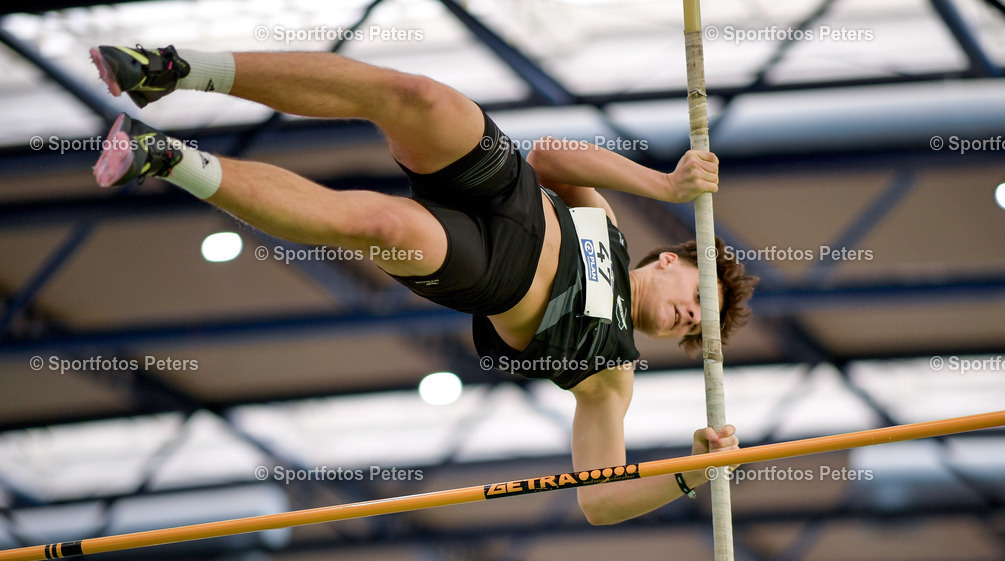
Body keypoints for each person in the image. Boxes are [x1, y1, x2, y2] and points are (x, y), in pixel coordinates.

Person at [89, 45, 758, 524]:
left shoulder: (612, 373)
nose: (686, 319)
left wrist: (689, 474)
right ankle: (170, 71)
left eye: (696, 329)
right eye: (700, 299)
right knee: (418, 96)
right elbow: (552, 154)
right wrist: (665, 185)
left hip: (486, 268)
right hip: (508, 185)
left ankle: (166, 155)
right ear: (671, 260)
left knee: (379, 223)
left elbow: (598, 498)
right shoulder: (606, 221)